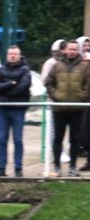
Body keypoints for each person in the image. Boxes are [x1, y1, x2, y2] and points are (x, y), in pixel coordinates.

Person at [45, 40, 90, 177]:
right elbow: (49, 82)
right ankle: (57, 166)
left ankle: (72, 167)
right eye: (70, 49)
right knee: (58, 138)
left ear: (78, 51)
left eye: (75, 49)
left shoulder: (84, 67)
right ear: (65, 50)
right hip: (60, 109)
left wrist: (82, 97)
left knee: (75, 139)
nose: (72, 51)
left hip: (77, 109)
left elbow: (88, 83)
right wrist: (55, 96)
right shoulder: (57, 66)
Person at [0, 45, 31, 177]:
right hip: (2, 109)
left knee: (18, 140)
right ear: (7, 55)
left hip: (18, 109)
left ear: (19, 55)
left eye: (15, 54)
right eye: (10, 54)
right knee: (2, 140)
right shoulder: (1, 70)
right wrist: (10, 84)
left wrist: (5, 90)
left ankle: (18, 168)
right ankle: (1, 168)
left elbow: (23, 87)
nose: (12, 56)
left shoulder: (25, 70)